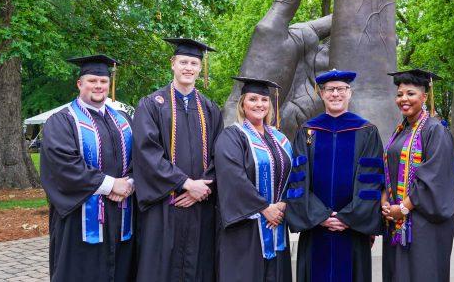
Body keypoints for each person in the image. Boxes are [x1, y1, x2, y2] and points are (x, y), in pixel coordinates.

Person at [133, 38, 224, 282]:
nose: (188, 68)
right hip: (165, 204)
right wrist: (185, 183)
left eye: (194, 63)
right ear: (172, 63)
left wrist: (202, 188)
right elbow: (146, 153)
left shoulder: (210, 108)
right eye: (183, 62)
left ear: (199, 68)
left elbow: (220, 154)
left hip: (200, 205)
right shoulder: (151, 105)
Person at [40, 55, 135, 282]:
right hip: (79, 219)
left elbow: (140, 159)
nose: (98, 86)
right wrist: (111, 184)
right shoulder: (62, 121)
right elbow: (62, 166)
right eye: (92, 80)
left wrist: (130, 183)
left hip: (121, 214)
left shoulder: (123, 120)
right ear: (79, 84)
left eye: (103, 81)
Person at [285, 69, 384, 282]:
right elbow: (298, 180)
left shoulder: (367, 131)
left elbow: (371, 181)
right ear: (321, 94)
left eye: (341, 89)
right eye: (330, 89)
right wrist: (321, 217)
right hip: (316, 228)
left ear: (350, 93)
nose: (335, 94)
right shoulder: (308, 131)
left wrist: (347, 217)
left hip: (352, 229)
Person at [214, 77, 293, 282]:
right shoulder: (232, 136)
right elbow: (232, 177)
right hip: (246, 227)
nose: (259, 104)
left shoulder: (280, 138)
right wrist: (265, 208)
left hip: (277, 223)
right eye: (253, 99)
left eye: (264, 100)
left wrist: (284, 204)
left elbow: (296, 175)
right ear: (242, 104)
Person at [381, 69, 454, 282]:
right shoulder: (401, 129)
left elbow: (434, 178)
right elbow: (388, 170)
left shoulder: (435, 130)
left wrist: (403, 207)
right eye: (400, 94)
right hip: (397, 222)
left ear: (425, 96)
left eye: (410, 94)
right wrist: (385, 200)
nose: (403, 99)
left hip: (424, 225)